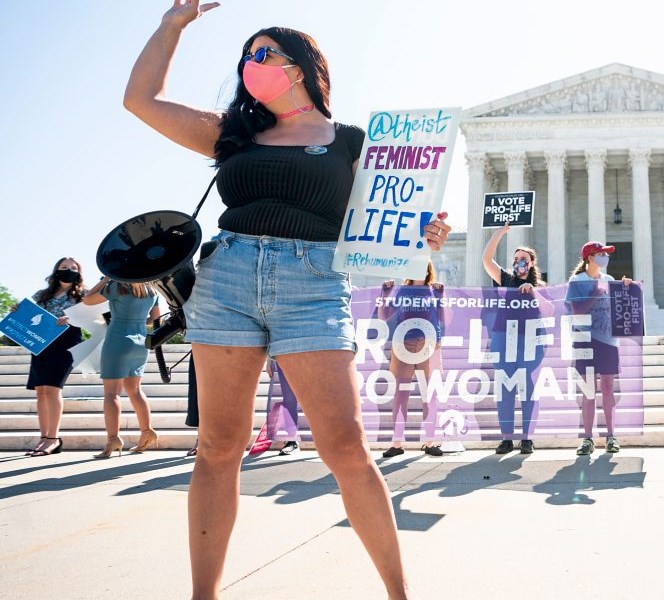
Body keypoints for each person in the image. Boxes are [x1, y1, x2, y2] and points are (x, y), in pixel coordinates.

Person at [123, 3, 451, 597]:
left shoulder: (353, 142)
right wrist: (173, 26)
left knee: (345, 445)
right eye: (246, 55)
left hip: (315, 282)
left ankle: (400, 593)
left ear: (298, 66)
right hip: (227, 279)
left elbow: (390, 225)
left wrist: (423, 235)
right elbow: (140, 101)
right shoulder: (233, 134)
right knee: (219, 446)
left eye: (263, 53)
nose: (251, 64)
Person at [482, 224, 546, 454]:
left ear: (531, 264)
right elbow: (487, 259)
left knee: (528, 387)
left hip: (530, 339)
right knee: (505, 387)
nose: (519, 261)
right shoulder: (505, 279)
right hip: (503, 336)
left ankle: (527, 438)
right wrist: (501, 232)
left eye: (524, 258)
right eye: (516, 257)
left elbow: (551, 311)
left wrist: (534, 291)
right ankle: (507, 438)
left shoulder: (540, 287)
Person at [82, 278, 163, 458]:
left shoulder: (117, 286)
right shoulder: (151, 290)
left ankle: (113, 439)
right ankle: (147, 432)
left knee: (112, 393)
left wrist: (104, 279)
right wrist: (139, 321)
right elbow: (156, 319)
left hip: (118, 341)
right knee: (135, 390)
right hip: (141, 343)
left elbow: (87, 299)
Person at [566, 242, 632, 455]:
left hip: (608, 340)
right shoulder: (576, 281)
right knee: (588, 391)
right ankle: (587, 438)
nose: (606, 257)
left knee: (608, 388)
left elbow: (619, 308)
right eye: (602, 254)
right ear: (590, 257)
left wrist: (626, 290)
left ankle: (611, 435)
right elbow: (576, 311)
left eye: (606, 254)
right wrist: (595, 295)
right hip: (584, 339)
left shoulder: (609, 280)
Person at [377, 262, 447, 458]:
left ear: (428, 269)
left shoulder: (434, 290)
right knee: (401, 394)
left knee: (429, 393)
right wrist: (385, 294)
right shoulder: (401, 291)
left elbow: (445, 318)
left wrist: (442, 298)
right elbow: (383, 316)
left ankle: (430, 441)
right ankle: (397, 442)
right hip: (403, 343)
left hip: (429, 343)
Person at [23, 258, 86, 457]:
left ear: (79, 272)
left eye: (73, 268)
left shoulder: (85, 295)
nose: (69, 270)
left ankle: (53, 438)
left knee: (52, 388)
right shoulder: (42, 294)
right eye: (64, 267)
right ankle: (43, 437)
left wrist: (73, 318)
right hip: (42, 343)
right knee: (41, 390)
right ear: (56, 270)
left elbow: (96, 317)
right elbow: (32, 317)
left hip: (66, 343)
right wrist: (18, 311)